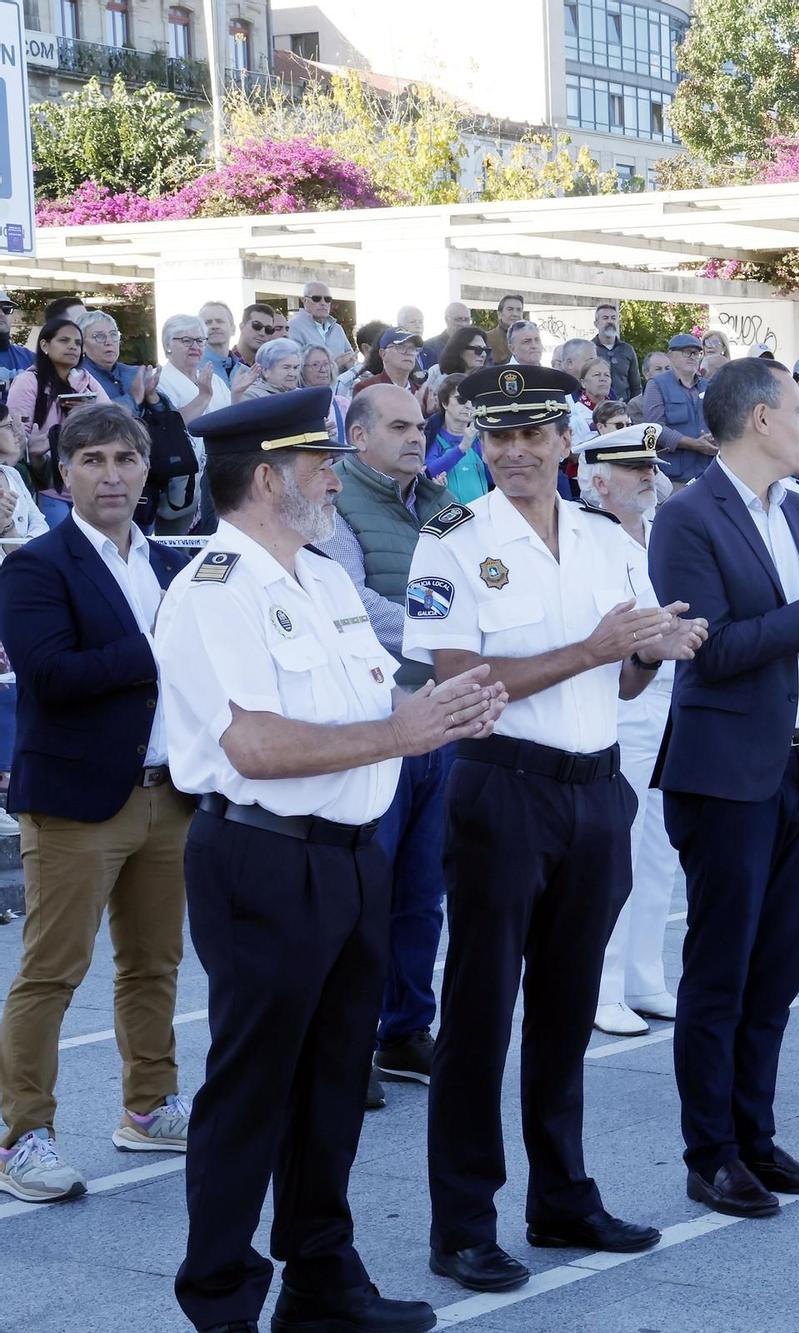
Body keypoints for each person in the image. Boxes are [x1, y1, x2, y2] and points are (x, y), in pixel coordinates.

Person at [159, 385, 503, 1333]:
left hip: (354, 858)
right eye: (317, 460)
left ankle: (320, 1274)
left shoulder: (323, 578)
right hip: (265, 857)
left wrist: (448, 712)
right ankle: (222, 1297)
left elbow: (382, 703)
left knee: (336, 1080)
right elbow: (257, 745)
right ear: (267, 476)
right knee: (251, 1087)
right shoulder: (216, 587)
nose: (332, 473)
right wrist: (402, 733)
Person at [405, 365, 701, 1292]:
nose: (516, 453)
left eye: (534, 435)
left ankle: (563, 1195)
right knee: (481, 1014)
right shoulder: (451, 538)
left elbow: (622, 678)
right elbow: (460, 683)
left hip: (596, 790)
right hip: (504, 791)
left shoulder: (609, 539)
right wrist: (597, 647)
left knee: (568, 1009)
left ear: (567, 444)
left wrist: (652, 653)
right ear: (481, 444)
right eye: (498, 437)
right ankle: (462, 1222)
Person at [650, 357, 799, 1218]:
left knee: (778, 967)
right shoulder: (685, 516)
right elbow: (706, 647)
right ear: (757, 420)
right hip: (726, 771)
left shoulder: (795, 513)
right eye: (797, 408)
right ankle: (709, 1152)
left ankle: (755, 1135)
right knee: (720, 969)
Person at [0, 405, 192, 1206]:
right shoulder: (35, 566)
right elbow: (50, 673)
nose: (111, 474)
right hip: (78, 801)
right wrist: (161, 641)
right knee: (51, 972)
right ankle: (22, 1134)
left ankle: (149, 1107)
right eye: (93, 460)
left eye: (125, 458)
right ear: (64, 474)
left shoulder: (176, 564)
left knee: (156, 965)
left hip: (167, 793)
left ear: (147, 470)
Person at [320, 385, 459, 1110]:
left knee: (421, 893)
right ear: (359, 434)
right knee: (367, 891)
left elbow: (481, 580)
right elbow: (349, 601)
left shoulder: (445, 503)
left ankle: (406, 1028)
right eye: (399, 426)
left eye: (420, 425)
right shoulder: (338, 503)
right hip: (379, 719)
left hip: (442, 718)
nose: (416, 436)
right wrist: (445, 629)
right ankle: (349, 1039)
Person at [574, 425, 686, 1035]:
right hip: (621, 701)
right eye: (630, 468)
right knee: (618, 850)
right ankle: (603, 985)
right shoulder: (587, 537)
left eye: (649, 466)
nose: (647, 475)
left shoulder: (658, 530)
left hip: (668, 699)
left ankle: (645, 977)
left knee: (659, 849)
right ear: (597, 480)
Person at [156, 314, 230, 534]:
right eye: (186, 341)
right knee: (178, 547)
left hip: (217, 478)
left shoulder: (213, 378)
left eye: (199, 341)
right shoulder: (160, 380)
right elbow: (173, 427)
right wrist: (203, 397)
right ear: (168, 345)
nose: (195, 346)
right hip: (180, 480)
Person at [6, 319, 111, 447]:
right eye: (64, 340)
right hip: (42, 462)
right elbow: (16, 437)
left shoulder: (86, 380)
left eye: (78, 343)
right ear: (44, 345)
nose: (73, 346)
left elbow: (112, 422)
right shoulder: (27, 381)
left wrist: (87, 415)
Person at [638, 332, 716, 488]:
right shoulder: (657, 384)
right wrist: (693, 444)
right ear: (670, 355)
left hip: (708, 473)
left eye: (696, 353)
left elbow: (721, 421)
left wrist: (716, 437)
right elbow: (654, 429)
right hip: (674, 478)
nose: (692, 356)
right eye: (687, 352)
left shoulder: (708, 386)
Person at [424, 374, 489, 503]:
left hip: (481, 515)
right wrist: (462, 448)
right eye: (462, 400)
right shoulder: (431, 436)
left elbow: (493, 479)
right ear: (444, 403)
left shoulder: (481, 437)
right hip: (449, 516)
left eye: (474, 401)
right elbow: (429, 472)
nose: (469, 405)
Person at [75, 311, 142, 411]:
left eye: (113, 335)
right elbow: (95, 416)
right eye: (99, 336)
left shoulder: (135, 373)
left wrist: (153, 398)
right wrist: (133, 399)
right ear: (82, 345)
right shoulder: (79, 378)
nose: (109, 342)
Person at [288, 280, 357, 372]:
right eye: (316, 298)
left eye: (327, 299)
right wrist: (336, 364)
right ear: (304, 300)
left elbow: (351, 359)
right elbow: (296, 368)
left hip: (341, 385)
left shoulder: (337, 329)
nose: (323, 303)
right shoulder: (292, 327)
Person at [222, 303, 282, 393]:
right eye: (257, 326)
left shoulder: (267, 367)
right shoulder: (225, 363)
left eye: (268, 329)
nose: (262, 333)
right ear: (242, 326)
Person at [351, 328, 425, 398]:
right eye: (400, 347)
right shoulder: (366, 389)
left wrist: (430, 411)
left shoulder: (422, 393)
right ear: (383, 354)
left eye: (412, 348)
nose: (408, 353)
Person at [591, 303, 642, 402]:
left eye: (613, 318)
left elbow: (635, 386)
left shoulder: (627, 349)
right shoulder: (589, 349)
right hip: (596, 407)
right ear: (596, 324)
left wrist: (634, 408)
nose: (610, 321)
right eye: (605, 318)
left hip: (624, 407)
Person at [239, 337, 304, 400]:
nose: (293, 374)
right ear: (265, 371)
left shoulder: (302, 394)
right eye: (286, 367)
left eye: (295, 367)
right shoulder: (251, 396)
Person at [421, 302, 473, 371]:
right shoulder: (428, 348)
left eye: (467, 320)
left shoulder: (477, 346)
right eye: (458, 319)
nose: (463, 324)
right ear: (446, 319)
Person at [197, 301, 235, 378]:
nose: (214, 326)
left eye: (220, 321)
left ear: (233, 329)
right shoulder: (192, 371)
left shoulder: (246, 372)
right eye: (208, 322)